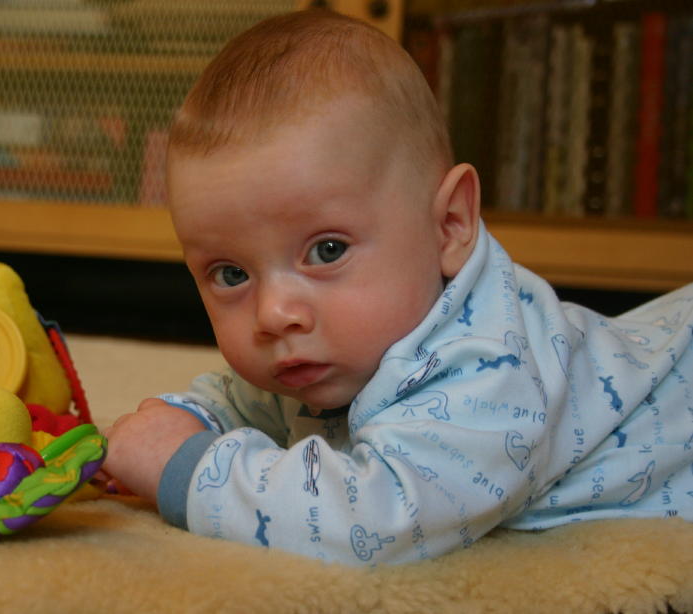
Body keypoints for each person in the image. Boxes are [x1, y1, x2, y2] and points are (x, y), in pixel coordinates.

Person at [101, 9, 693, 566]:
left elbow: (372, 525)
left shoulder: (490, 368)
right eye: (232, 274)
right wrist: (163, 430)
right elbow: (240, 403)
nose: (275, 313)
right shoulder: (325, 348)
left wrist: (185, 470)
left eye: (327, 251)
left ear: (449, 226)